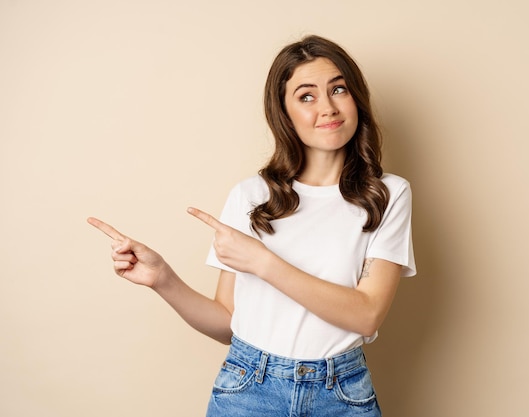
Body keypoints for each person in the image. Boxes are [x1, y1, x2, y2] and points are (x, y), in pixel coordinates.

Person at [88, 35, 416, 417]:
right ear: (285, 112)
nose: (327, 107)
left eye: (338, 89)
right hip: (249, 388)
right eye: (306, 96)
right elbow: (229, 324)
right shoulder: (251, 196)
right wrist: (163, 278)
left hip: (340, 393)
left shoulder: (387, 194)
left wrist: (263, 262)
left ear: (355, 97)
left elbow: (366, 314)